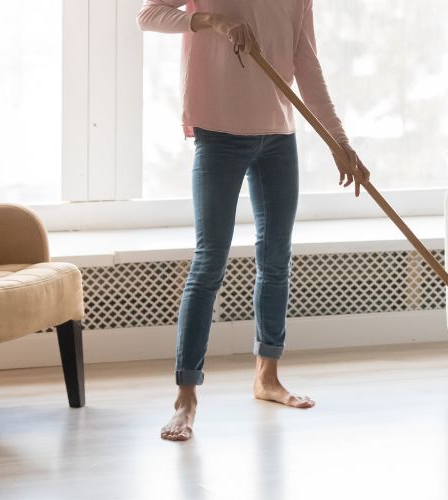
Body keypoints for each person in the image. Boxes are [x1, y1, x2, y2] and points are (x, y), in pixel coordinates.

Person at [138, 0, 367, 442]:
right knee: (209, 265)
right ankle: (185, 398)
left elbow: (306, 64)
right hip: (218, 134)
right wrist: (211, 21)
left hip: (279, 138)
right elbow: (148, 15)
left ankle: (267, 378)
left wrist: (340, 142)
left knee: (276, 260)